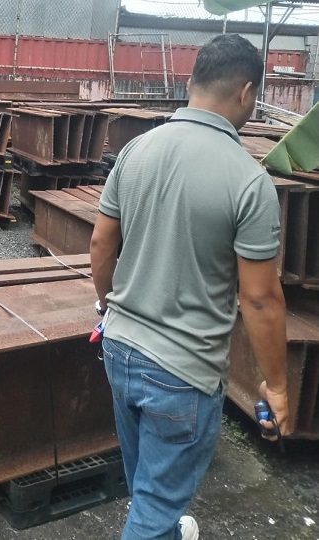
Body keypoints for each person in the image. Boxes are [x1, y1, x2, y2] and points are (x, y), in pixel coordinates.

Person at [90, 34, 291, 540]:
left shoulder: (136, 150)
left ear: (191, 82)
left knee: (146, 486)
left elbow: (100, 245)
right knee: (154, 508)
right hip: (182, 374)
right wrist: (279, 387)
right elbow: (261, 299)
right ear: (247, 92)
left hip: (119, 349)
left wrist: (107, 308)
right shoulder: (248, 182)